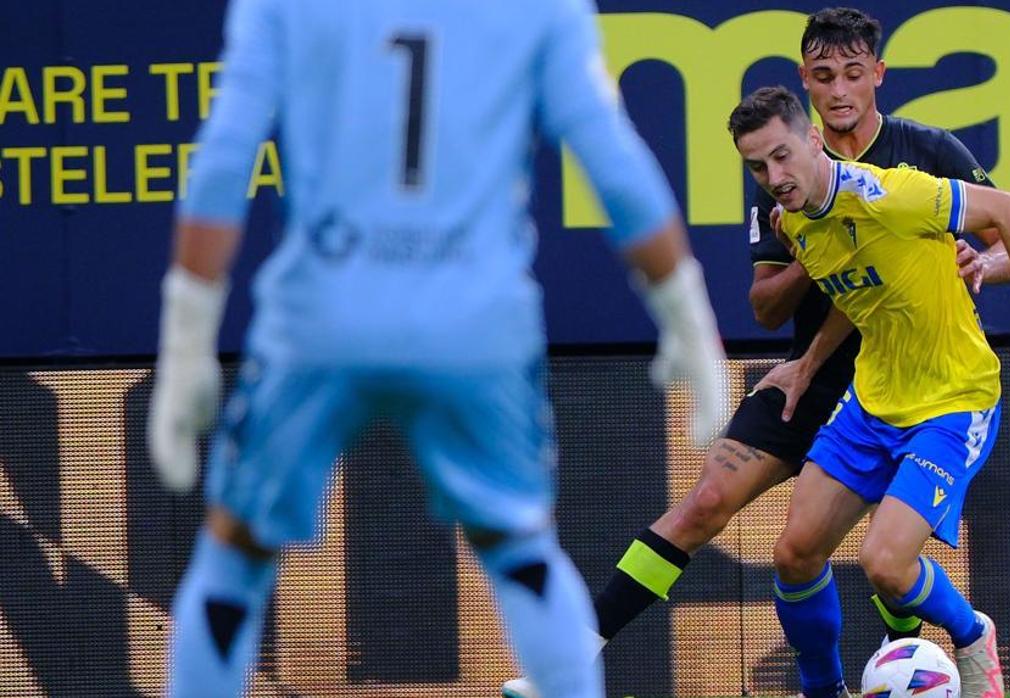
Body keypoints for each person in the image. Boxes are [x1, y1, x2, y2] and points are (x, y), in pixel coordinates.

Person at [145, 0, 729, 696]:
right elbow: (613, 159)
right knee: (524, 554)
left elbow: (223, 158)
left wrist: (185, 341)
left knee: (233, 558)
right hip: (474, 326)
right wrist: (685, 312)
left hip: (319, 321)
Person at [504, 7, 1010, 698]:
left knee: (888, 557)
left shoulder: (923, 153)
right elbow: (766, 303)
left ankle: (921, 660)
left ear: (878, 78)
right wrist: (815, 241)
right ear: (805, 83)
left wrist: (977, 262)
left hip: (921, 377)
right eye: (824, 76)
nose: (839, 91)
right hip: (816, 372)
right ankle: (567, 666)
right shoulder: (782, 168)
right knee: (709, 505)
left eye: (853, 75)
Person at [729, 85, 1010, 698]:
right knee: (792, 555)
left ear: (814, 139)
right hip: (872, 403)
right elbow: (860, 289)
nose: (775, 175)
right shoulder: (795, 224)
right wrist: (808, 363)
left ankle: (973, 634)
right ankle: (825, 691)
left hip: (952, 400)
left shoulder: (892, 193)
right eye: (758, 166)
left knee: (886, 565)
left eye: (783, 156)